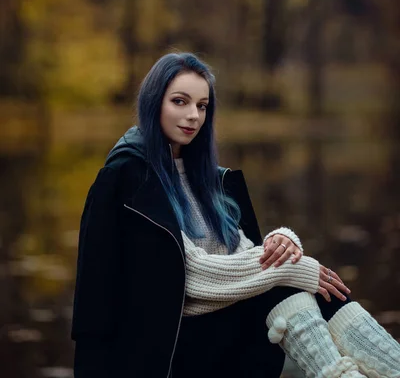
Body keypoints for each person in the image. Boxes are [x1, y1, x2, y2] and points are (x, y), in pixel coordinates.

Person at [71, 52, 400, 378]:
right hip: (163, 348)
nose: (193, 116)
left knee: (305, 290)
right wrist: (297, 268)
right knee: (287, 285)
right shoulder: (127, 177)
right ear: (154, 102)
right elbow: (192, 274)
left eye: (202, 106)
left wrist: (283, 241)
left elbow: (244, 256)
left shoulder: (210, 179)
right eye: (180, 102)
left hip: (220, 333)